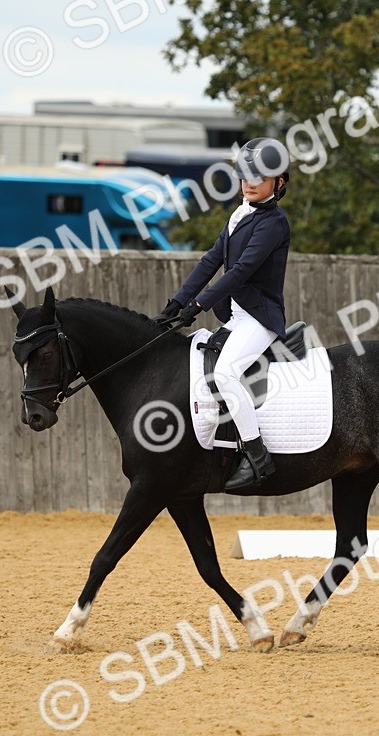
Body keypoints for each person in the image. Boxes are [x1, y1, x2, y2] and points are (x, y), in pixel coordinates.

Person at [153, 137, 291, 491]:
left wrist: (197, 306)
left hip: (260, 319)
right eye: (245, 176)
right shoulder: (240, 214)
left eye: (260, 177)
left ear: (279, 182)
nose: (250, 183)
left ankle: (257, 456)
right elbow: (212, 260)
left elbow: (241, 270)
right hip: (236, 316)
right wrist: (177, 301)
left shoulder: (274, 222)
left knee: (226, 374)